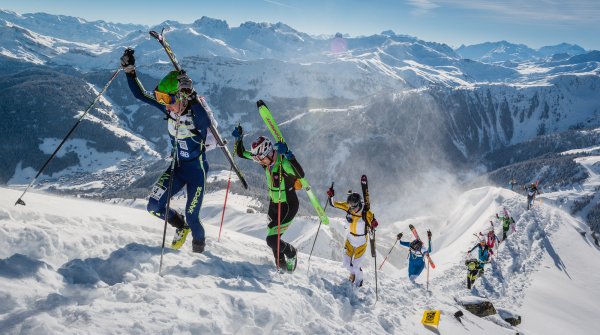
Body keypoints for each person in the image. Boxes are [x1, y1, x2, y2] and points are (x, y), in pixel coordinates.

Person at [120, 48, 215, 253]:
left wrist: (192, 97)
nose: (166, 105)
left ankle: (198, 253)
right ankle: (180, 225)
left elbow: (205, 122)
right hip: (177, 168)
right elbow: (141, 95)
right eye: (162, 99)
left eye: (168, 100)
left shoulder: (195, 114)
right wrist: (130, 71)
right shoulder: (170, 109)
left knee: (193, 215)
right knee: (153, 207)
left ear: (181, 97)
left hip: (197, 173)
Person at [231, 125, 303, 272]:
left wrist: (289, 154)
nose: (259, 162)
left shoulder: (283, 164)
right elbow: (241, 153)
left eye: (261, 159)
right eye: (258, 159)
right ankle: (281, 267)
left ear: (270, 153)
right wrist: (239, 138)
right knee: (273, 239)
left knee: (271, 239)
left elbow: (300, 174)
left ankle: (291, 252)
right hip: (274, 204)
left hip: (288, 205)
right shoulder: (264, 159)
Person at [326, 186, 379, 287]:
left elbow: (374, 221)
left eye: (353, 207)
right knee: (346, 264)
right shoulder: (349, 207)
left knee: (356, 266)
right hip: (350, 240)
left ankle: (359, 281)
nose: (351, 209)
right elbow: (334, 204)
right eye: (350, 206)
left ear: (358, 203)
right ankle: (353, 274)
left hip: (361, 242)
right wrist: (331, 196)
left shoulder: (366, 213)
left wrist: (374, 223)